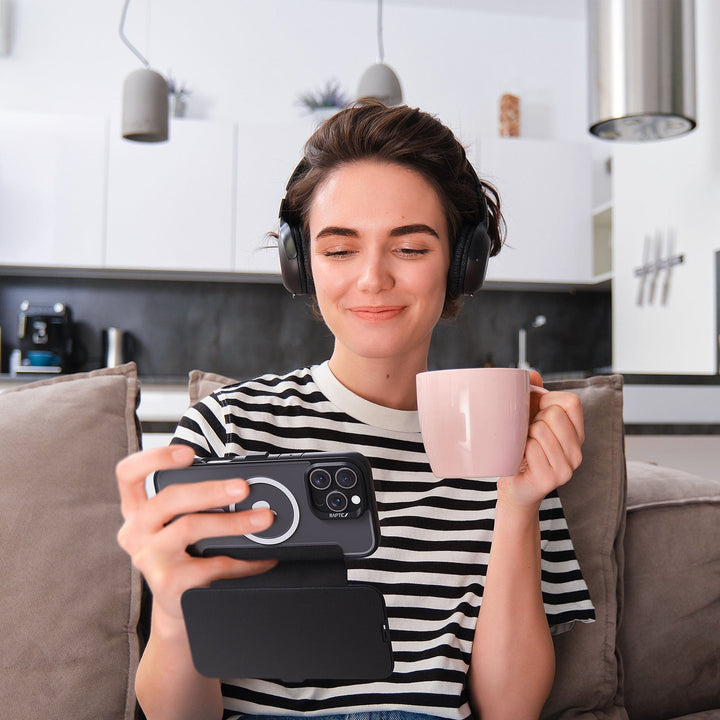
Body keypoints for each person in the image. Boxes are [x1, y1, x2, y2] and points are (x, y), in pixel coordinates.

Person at [116, 100, 595, 720]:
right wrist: (176, 611)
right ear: (303, 265)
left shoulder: (507, 442)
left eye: (411, 248)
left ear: (461, 262)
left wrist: (520, 501)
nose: (372, 279)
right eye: (340, 249)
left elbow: (509, 710)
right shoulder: (227, 428)